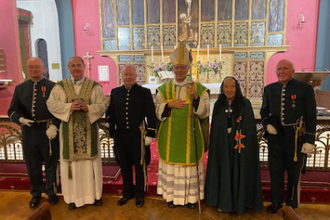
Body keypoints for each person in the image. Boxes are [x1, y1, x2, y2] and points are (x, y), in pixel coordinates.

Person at [46, 56, 108, 210]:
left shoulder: (94, 86)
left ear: (84, 66)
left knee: (90, 165)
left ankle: (94, 196)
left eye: (79, 65)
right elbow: (51, 104)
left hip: (90, 134)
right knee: (71, 167)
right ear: (68, 67)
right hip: (68, 134)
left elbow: (102, 105)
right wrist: (69, 107)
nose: (76, 68)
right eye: (73, 65)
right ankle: (73, 198)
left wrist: (88, 108)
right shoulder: (60, 87)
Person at [155, 44, 210, 209]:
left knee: (190, 165)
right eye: (177, 68)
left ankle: (191, 199)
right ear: (173, 69)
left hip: (189, 136)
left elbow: (205, 112)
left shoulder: (199, 89)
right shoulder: (163, 90)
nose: (179, 71)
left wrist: (195, 98)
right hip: (171, 137)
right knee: (172, 166)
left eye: (182, 68)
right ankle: (171, 197)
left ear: (188, 69)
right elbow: (157, 110)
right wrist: (168, 105)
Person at [260, 59, 317, 213]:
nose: (282, 71)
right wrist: (267, 124)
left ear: (293, 71)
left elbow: (311, 115)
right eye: (279, 69)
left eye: (285, 68)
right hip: (276, 137)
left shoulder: (305, 89)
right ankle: (276, 202)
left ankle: (291, 204)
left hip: (296, 137)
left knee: (293, 172)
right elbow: (264, 111)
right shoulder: (269, 89)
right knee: (275, 171)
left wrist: (310, 140)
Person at [205, 76, 263, 215]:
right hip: (223, 148)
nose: (229, 90)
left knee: (239, 170)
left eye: (232, 87)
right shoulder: (218, 104)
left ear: (237, 88)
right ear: (222, 89)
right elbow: (216, 129)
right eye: (226, 87)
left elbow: (248, 127)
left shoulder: (245, 103)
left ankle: (240, 203)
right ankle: (224, 202)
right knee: (224, 170)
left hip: (239, 147)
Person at [7, 57, 60, 208]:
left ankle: (51, 192)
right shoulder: (20, 88)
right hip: (29, 132)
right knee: (33, 164)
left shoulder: (53, 87)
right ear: (27, 69)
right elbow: (12, 110)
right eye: (30, 67)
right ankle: (36, 193)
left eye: (37, 67)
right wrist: (21, 120)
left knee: (51, 163)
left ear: (43, 68)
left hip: (48, 131)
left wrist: (54, 126)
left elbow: (59, 110)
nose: (34, 70)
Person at [106, 64, 156, 208]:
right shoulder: (115, 92)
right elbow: (111, 112)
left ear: (136, 76)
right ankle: (127, 192)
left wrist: (150, 133)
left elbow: (151, 114)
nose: (128, 77)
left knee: (140, 165)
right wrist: (110, 124)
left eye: (131, 74)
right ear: (122, 76)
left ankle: (139, 194)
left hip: (138, 135)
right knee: (125, 164)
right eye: (125, 74)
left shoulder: (144, 92)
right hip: (121, 136)